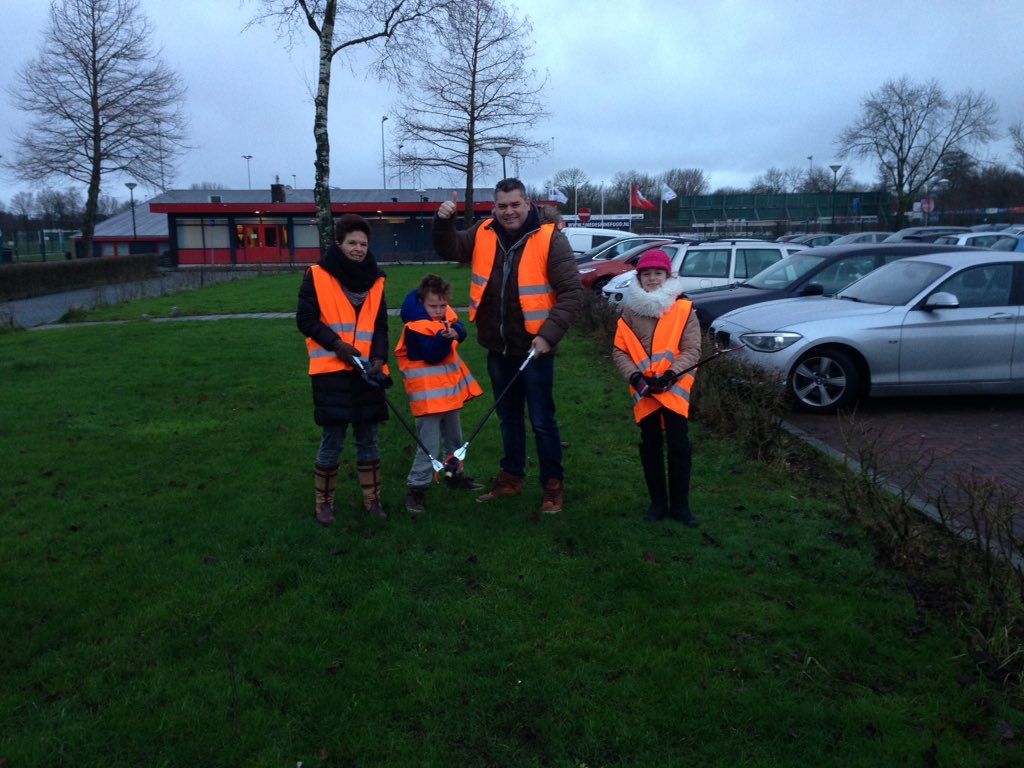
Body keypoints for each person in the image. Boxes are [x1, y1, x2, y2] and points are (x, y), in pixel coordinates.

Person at [433, 178, 583, 514]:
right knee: (508, 418)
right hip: (497, 348)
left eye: (515, 204)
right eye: (502, 206)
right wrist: (443, 221)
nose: (509, 211)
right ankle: (511, 478)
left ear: (527, 204)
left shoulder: (549, 239)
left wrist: (548, 335)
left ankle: (552, 485)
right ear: (494, 207)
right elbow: (451, 249)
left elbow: (573, 293)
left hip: (535, 349)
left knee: (543, 421)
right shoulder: (483, 231)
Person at [296, 214, 392, 525]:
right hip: (331, 370)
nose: (358, 248)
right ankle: (323, 504)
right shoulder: (317, 274)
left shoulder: (377, 279)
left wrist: (378, 356)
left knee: (368, 438)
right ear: (339, 243)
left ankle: (373, 501)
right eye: (352, 242)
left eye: (363, 243)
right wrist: (337, 345)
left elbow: (380, 324)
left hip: (367, 370)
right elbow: (306, 320)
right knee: (333, 438)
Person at [611, 249, 702, 526]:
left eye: (658, 274)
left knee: (678, 445)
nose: (652, 279)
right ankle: (658, 503)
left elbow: (692, 348)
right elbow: (619, 351)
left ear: (668, 276)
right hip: (645, 391)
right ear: (639, 277)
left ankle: (681, 505)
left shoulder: (684, 308)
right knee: (650, 445)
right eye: (647, 274)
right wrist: (636, 378)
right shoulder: (629, 311)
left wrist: (672, 374)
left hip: (674, 389)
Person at [395, 273, 485, 514]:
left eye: (443, 305)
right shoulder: (415, 329)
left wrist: (457, 332)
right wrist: (446, 338)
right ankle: (417, 488)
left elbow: (460, 327)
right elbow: (432, 354)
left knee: (455, 439)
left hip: (448, 395)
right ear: (422, 304)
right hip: (428, 400)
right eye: (433, 306)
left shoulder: (444, 321)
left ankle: (453, 475)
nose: (438, 311)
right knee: (429, 445)